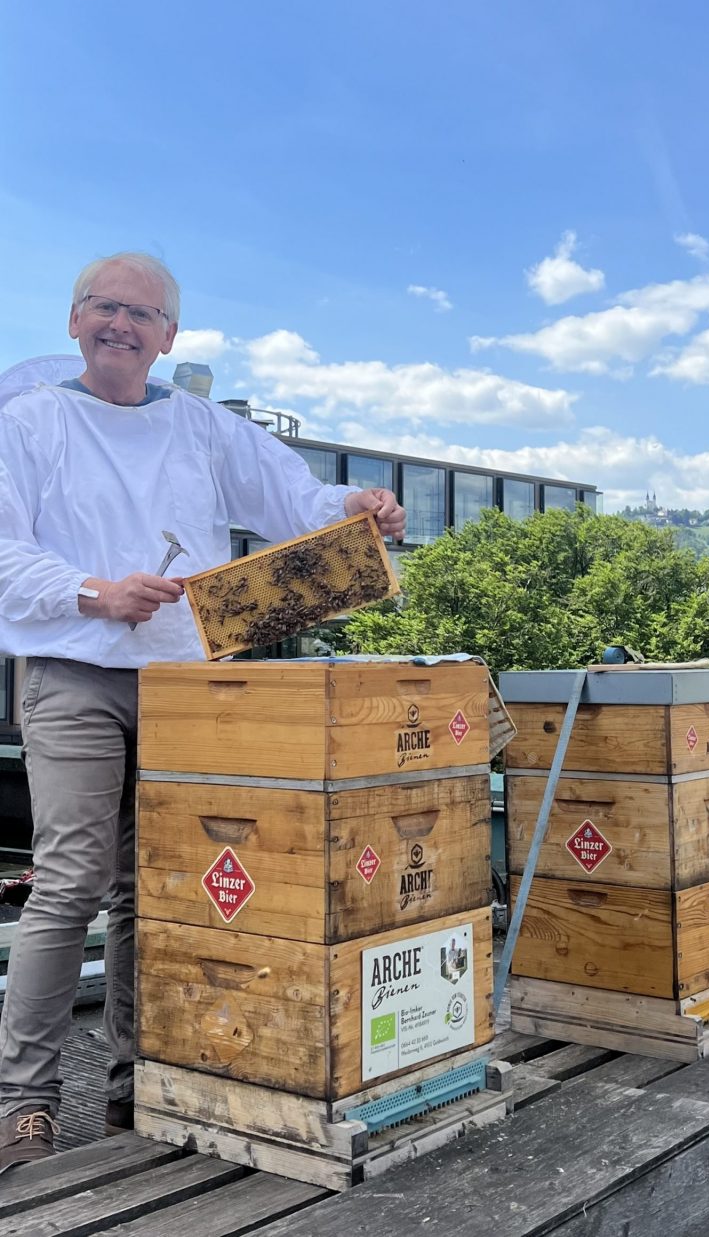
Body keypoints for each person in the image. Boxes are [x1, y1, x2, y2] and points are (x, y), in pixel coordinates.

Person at [0, 252, 406, 1172]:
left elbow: (292, 501)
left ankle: (133, 1085)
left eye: (143, 315)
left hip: (189, 682)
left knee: (160, 891)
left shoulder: (205, 429)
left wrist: (357, 504)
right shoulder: (28, 421)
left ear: (169, 336)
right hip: (74, 671)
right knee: (70, 879)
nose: (122, 325)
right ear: (73, 321)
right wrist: (93, 591)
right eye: (105, 308)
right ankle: (24, 1101)